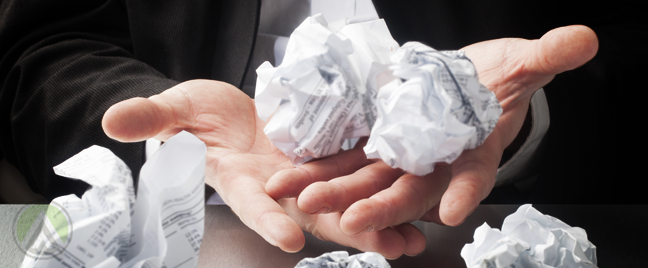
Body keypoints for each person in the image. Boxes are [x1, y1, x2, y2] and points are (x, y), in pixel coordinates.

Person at [1, 0, 641, 259]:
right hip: (208, 214)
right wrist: (169, 126)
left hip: (507, 207)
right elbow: (46, 46)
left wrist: (526, 110)